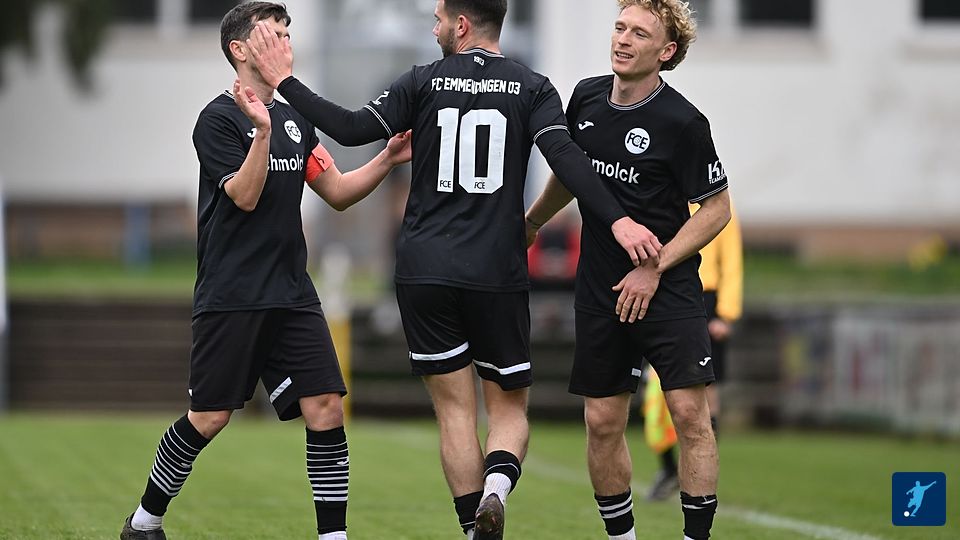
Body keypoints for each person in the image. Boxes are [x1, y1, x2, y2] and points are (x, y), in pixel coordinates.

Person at [246, 1, 662, 538]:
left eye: (439, 18)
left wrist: (285, 81)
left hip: (424, 270)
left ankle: (473, 530)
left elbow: (349, 129)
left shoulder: (421, 81)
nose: (435, 26)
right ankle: (496, 489)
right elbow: (567, 159)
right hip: (496, 269)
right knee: (507, 412)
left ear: (461, 25)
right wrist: (619, 221)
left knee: (455, 415)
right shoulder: (533, 87)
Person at [118, 4, 411, 540]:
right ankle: (144, 520)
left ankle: (333, 536)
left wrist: (386, 160)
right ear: (240, 50)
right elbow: (245, 196)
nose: (284, 44)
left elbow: (336, 190)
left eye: (286, 35)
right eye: (272, 35)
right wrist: (260, 132)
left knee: (326, 406)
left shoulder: (297, 121)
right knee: (210, 417)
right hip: (232, 294)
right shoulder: (217, 120)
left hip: (292, 293)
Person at [524, 1, 730, 539]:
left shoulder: (683, 122)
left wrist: (655, 267)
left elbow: (717, 210)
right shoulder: (586, 98)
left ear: (666, 51)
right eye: (620, 27)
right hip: (600, 287)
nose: (623, 39)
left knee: (689, 415)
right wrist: (532, 223)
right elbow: (571, 177)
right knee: (602, 421)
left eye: (639, 33)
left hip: (669, 287)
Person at [645, 201, 742, 501]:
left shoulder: (715, 203)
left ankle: (703, 472)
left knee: (707, 392)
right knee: (656, 389)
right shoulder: (661, 197)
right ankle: (668, 468)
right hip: (665, 289)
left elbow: (732, 262)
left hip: (705, 299)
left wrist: (726, 313)